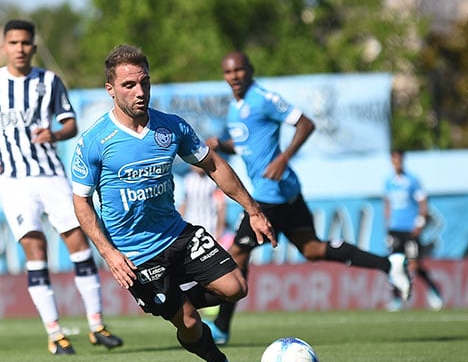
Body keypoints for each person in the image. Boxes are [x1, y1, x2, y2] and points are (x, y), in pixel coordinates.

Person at [71, 44, 277, 362]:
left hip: (177, 233)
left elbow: (213, 164)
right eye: (129, 85)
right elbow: (81, 202)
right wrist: (109, 253)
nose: (140, 92)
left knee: (236, 287)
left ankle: (167, 298)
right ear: (110, 90)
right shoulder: (95, 141)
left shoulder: (171, 128)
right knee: (191, 323)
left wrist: (253, 210)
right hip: (136, 252)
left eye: (144, 83)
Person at [203, 51, 412, 344]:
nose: (234, 76)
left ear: (250, 70)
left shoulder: (263, 98)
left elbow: (306, 124)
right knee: (312, 249)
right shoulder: (235, 108)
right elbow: (249, 147)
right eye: (228, 72)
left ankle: (221, 328)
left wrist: (283, 158)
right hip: (285, 192)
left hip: (269, 195)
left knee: (238, 253)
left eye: (239, 70)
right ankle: (390, 264)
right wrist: (222, 145)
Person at [0, 19, 122, 355]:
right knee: (35, 250)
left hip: (50, 174)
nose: (20, 49)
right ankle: (55, 334)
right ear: (4, 47)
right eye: (14, 43)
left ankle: (96, 324)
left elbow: (70, 123)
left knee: (79, 243)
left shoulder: (49, 82)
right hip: (13, 181)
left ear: (33, 48)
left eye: (26, 43)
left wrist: (55, 133)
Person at [383, 150, 444, 311]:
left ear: (403, 161)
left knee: (414, 265)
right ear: (391, 161)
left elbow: (423, 202)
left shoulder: (413, 181)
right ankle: (396, 300)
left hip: (410, 229)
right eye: (394, 159)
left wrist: (420, 222)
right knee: (394, 265)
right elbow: (388, 203)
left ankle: (433, 289)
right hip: (394, 229)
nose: (397, 162)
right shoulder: (388, 182)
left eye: (399, 159)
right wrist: (387, 223)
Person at [179, 165, 228, 243]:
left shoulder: (213, 181)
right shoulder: (188, 180)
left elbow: (221, 207)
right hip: (191, 226)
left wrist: (219, 230)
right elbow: (184, 204)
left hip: (210, 227)